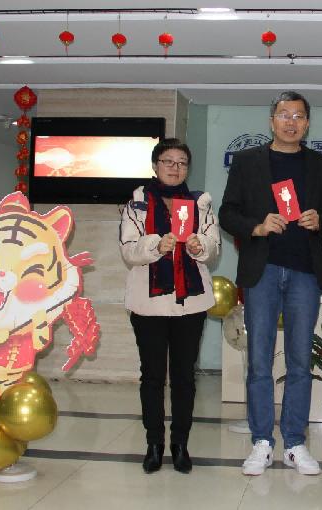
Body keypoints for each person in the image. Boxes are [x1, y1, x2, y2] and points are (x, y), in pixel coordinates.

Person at [219, 91, 322, 476]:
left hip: (304, 271)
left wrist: (319, 221)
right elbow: (228, 212)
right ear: (271, 120)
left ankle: (294, 442)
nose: (291, 122)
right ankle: (261, 441)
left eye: (299, 116)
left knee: (300, 361)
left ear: (307, 123)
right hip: (263, 270)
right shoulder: (247, 161)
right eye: (284, 114)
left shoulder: (321, 165)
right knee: (259, 360)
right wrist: (256, 227)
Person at [119, 138, 220, 474]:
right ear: (155, 165)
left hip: (190, 304)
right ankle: (153, 443)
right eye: (168, 161)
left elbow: (214, 246)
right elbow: (128, 250)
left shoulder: (200, 202)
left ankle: (180, 444)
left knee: (184, 377)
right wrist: (155, 245)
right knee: (151, 377)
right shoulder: (138, 202)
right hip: (148, 304)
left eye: (182, 163)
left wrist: (200, 246)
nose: (175, 168)